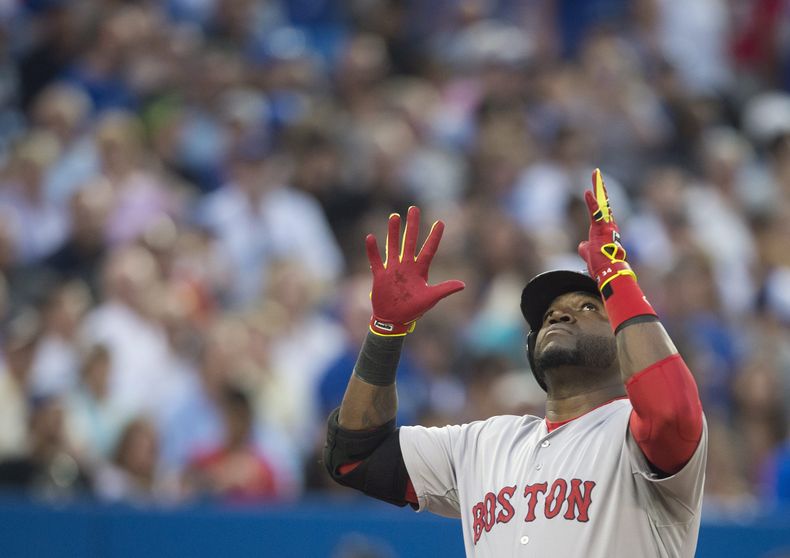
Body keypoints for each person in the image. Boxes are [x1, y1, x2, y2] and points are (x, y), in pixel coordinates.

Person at [324, 170, 707, 557]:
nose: (559, 316)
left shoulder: (636, 435)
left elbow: (672, 411)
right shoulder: (483, 444)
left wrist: (614, 275)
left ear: (626, 339)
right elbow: (356, 455)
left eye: (588, 307)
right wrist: (386, 332)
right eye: (549, 316)